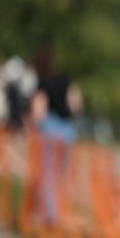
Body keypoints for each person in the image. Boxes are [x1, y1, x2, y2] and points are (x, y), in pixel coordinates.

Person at [30, 46, 83, 225]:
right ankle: (61, 209)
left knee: (48, 173)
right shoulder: (66, 79)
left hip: (50, 131)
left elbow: (39, 111)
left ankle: (51, 214)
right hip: (67, 131)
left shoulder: (41, 83)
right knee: (61, 174)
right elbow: (76, 104)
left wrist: (34, 125)